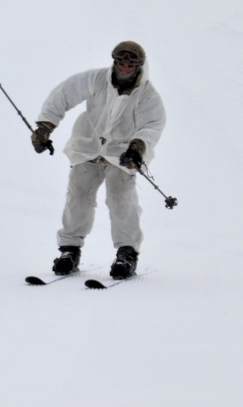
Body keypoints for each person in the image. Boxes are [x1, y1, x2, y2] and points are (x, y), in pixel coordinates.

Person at [31, 41, 167, 279]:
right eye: (121, 63)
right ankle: (69, 251)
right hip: (87, 147)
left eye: (130, 65)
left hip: (122, 155)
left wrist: (138, 146)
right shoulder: (96, 79)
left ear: (139, 66)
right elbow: (62, 95)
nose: (124, 68)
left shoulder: (147, 95)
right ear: (114, 62)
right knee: (78, 196)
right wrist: (45, 126)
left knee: (120, 198)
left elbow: (152, 125)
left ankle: (127, 254)